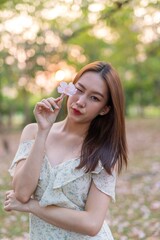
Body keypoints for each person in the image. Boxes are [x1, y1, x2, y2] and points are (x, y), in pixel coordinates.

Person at [4, 61, 128, 240]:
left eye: (94, 98)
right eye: (79, 89)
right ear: (68, 89)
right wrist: (43, 132)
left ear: (105, 109)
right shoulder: (33, 132)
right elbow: (21, 193)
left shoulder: (105, 153)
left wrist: (33, 206)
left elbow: (92, 224)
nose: (80, 101)